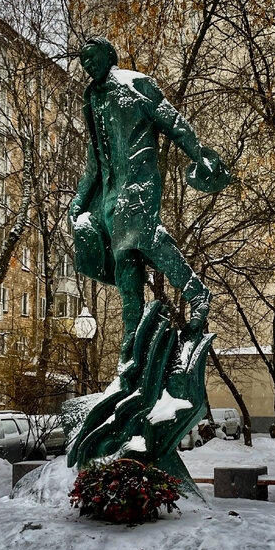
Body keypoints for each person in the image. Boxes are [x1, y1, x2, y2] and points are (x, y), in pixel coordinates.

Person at [69, 37, 231, 364]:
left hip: (140, 180)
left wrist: (199, 155)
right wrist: (81, 197)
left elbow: (173, 122)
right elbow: (94, 156)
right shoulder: (94, 101)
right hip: (111, 191)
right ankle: (133, 332)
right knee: (124, 258)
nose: (87, 65)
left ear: (108, 56)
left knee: (142, 236)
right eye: (82, 61)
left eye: (91, 57)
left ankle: (197, 295)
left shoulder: (137, 85)